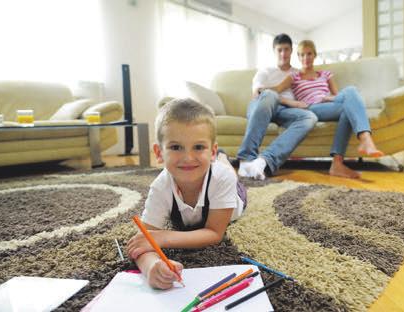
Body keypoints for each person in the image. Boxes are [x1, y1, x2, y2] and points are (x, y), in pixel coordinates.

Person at [127, 98, 247, 289]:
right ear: (158, 152)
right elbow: (143, 241)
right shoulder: (160, 187)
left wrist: (163, 237)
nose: (188, 158)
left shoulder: (222, 180)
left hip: (232, 194)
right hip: (211, 171)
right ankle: (219, 158)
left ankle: (223, 160)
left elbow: (214, 233)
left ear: (211, 150)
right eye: (176, 147)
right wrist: (152, 267)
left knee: (229, 173)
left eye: (198, 147)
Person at [263, 40, 384, 179]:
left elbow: (339, 96)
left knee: (349, 98)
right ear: (299, 57)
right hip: (312, 108)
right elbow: (277, 90)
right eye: (302, 55)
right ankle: (366, 138)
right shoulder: (294, 77)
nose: (305, 58)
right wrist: (260, 89)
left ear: (314, 55)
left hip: (329, 103)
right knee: (351, 91)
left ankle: (337, 164)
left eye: (309, 54)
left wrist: (329, 98)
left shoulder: (325, 74)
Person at [236, 33, 318, 180]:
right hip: (262, 106)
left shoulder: (297, 74)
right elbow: (257, 94)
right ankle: (246, 160)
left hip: (284, 112)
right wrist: (289, 101)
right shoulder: (265, 71)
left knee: (310, 117)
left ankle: (264, 162)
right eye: (279, 50)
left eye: (286, 49)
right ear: (274, 51)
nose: (283, 53)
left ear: (292, 51)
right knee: (270, 95)